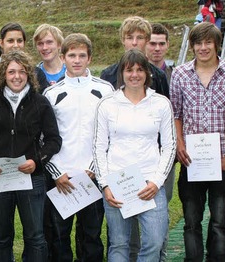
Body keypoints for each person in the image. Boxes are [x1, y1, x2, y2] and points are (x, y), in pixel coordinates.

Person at [0, 50, 61, 262]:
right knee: (1, 238)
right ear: (3, 74)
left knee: (35, 236)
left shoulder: (40, 102)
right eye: (11, 71)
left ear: (29, 75)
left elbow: (53, 140)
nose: (17, 76)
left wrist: (37, 160)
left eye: (22, 72)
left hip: (32, 179)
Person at [94, 49, 176, 261]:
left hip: (150, 182)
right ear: (122, 73)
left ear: (147, 73)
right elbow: (99, 147)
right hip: (117, 182)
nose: (134, 75)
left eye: (140, 70)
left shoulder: (161, 103)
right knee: (119, 243)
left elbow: (169, 146)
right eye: (129, 70)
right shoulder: (107, 104)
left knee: (155, 242)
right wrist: (105, 185)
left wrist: (157, 182)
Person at [171, 22, 225, 262]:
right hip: (192, 161)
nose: (203, 48)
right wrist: (180, 144)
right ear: (192, 46)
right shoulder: (180, 74)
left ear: (216, 44)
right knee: (191, 221)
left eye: (208, 42)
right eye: (198, 43)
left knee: (221, 221)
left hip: (221, 159)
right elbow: (177, 114)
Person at [43, 33, 112, 262]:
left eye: (82, 55)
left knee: (91, 236)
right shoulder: (51, 93)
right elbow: (44, 138)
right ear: (62, 57)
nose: (77, 60)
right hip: (61, 177)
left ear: (90, 58)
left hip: (92, 175)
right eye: (71, 55)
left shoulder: (105, 90)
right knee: (59, 237)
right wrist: (56, 172)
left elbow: (109, 134)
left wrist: (94, 168)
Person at [145, 22, 176, 262]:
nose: (156, 48)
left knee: (160, 208)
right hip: (138, 154)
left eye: (161, 43)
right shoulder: (133, 71)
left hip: (164, 154)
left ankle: (161, 255)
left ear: (167, 45)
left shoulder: (176, 74)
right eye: (152, 43)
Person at [0, 22, 49, 105]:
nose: (15, 45)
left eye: (19, 41)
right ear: (1, 43)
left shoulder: (37, 73)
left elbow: (43, 106)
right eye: (10, 41)